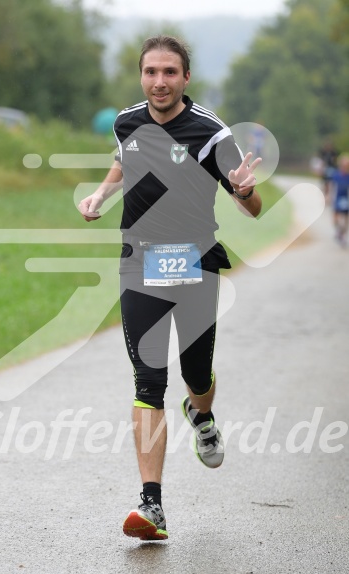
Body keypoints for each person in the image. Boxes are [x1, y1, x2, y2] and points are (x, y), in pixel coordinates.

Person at [78, 35, 262, 541]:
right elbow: (123, 158)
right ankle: (151, 505)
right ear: (142, 75)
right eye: (151, 72)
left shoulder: (209, 131)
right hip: (139, 263)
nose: (160, 81)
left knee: (195, 372)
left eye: (170, 73)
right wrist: (99, 194)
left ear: (185, 77)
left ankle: (200, 414)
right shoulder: (126, 121)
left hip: (197, 262)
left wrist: (245, 191)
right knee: (147, 381)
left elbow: (252, 206)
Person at [330, 153, 349, 246]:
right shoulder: (336, 175)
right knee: (336, 218)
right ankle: (338, 231)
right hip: (337, 198)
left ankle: (342, 234)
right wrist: (328, 196)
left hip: (346, 198)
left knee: (346, 220)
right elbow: (331, 186)